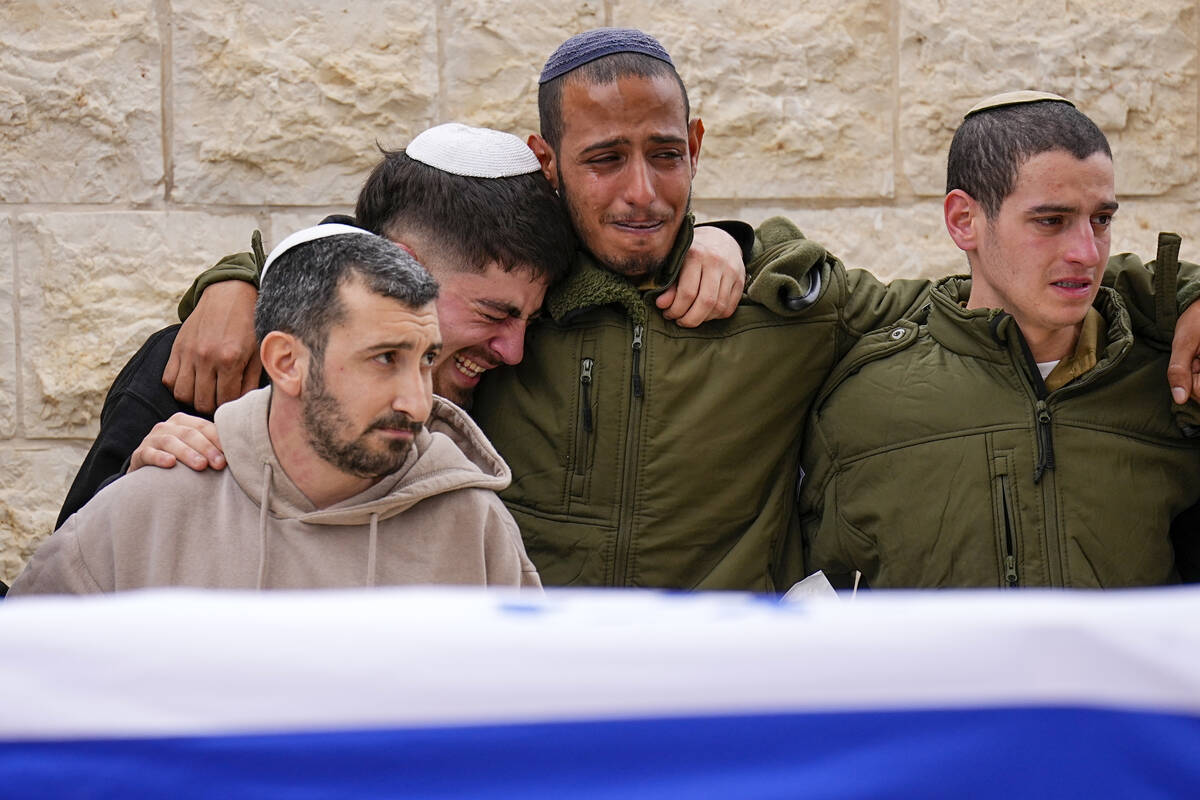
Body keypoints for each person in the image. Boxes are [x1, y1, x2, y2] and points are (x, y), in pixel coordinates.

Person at [138, 30, 1200, 592]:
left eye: (664, 155)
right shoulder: (507, 309)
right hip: (519, 680)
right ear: (549, 162)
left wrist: (1188, 295)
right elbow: (383, 249)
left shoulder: (793, 302)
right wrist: (235, 273)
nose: (642, 192)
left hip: (712, 698)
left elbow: (996, 299)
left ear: (697, 147)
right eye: (604, 160)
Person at [55, 124, 577, 527]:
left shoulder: (509, 386)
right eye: (493, 313)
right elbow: (72, 600)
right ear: (404, 268)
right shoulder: (209, 366)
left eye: (530, 318)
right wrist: (137, 494)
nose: (514, 352)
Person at [796, 91, 1200, 589]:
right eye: (1050, 221)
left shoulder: (1168, 382)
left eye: (1101, 219)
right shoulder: (864, 405)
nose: (1086, 252)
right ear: (964, 220)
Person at [12, 226, 540, 594]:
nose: (417, 402)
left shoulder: (475, 527)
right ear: (286, 362)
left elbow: (526, 721)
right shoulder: (149, 511)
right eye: (384, 359)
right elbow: (28, 688)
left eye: (425, 360)